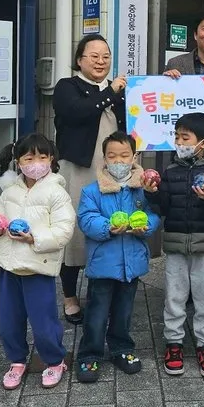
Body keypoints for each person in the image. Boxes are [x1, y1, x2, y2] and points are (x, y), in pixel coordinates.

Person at [145, 112, 204, 378]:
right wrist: (152, 192)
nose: (179, 142)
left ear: (203, 143)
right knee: (174, 296)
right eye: (176, 136)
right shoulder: (172, 169)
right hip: (175, 242)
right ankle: (173, 343)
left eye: (185, 137)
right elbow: (163, 207)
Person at [0, 134, 75, 390]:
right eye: (29, 158)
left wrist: (33, 238)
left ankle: (55, 361)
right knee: (8, 321)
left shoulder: (56, 192)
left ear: (51, 160)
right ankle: (16, 361)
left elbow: (64, 230)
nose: (36, 162)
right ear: (18, 162)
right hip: (9, 266)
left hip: (38, 267)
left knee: (43, 321)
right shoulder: (9, 193)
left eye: (42, 157)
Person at [52, 34, 126, 325]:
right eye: (93, 55)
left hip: (115, 171)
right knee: (75, 234)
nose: (100, 61)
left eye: (105, 56)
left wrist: (170, 83)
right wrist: (110, 93)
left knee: (111, 227)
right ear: (79, 60)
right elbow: (76, 112)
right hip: (80, 170)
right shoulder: (67, 87)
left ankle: (103, 293)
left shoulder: (120, 91)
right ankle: (70, 297)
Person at [75, 131, 161, 382]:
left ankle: (121, 348)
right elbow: (86, 218)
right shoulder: (92, 191)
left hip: (131, 264)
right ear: (104, 158)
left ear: (134, 157)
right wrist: (106, 227)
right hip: (103, 263)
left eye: (124, 155)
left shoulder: (143, 188)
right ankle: (89, 354)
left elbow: (154, 213)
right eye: (112, 155)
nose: (118, 160)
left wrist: (147, 226)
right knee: (97, 311)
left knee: (124, 310)